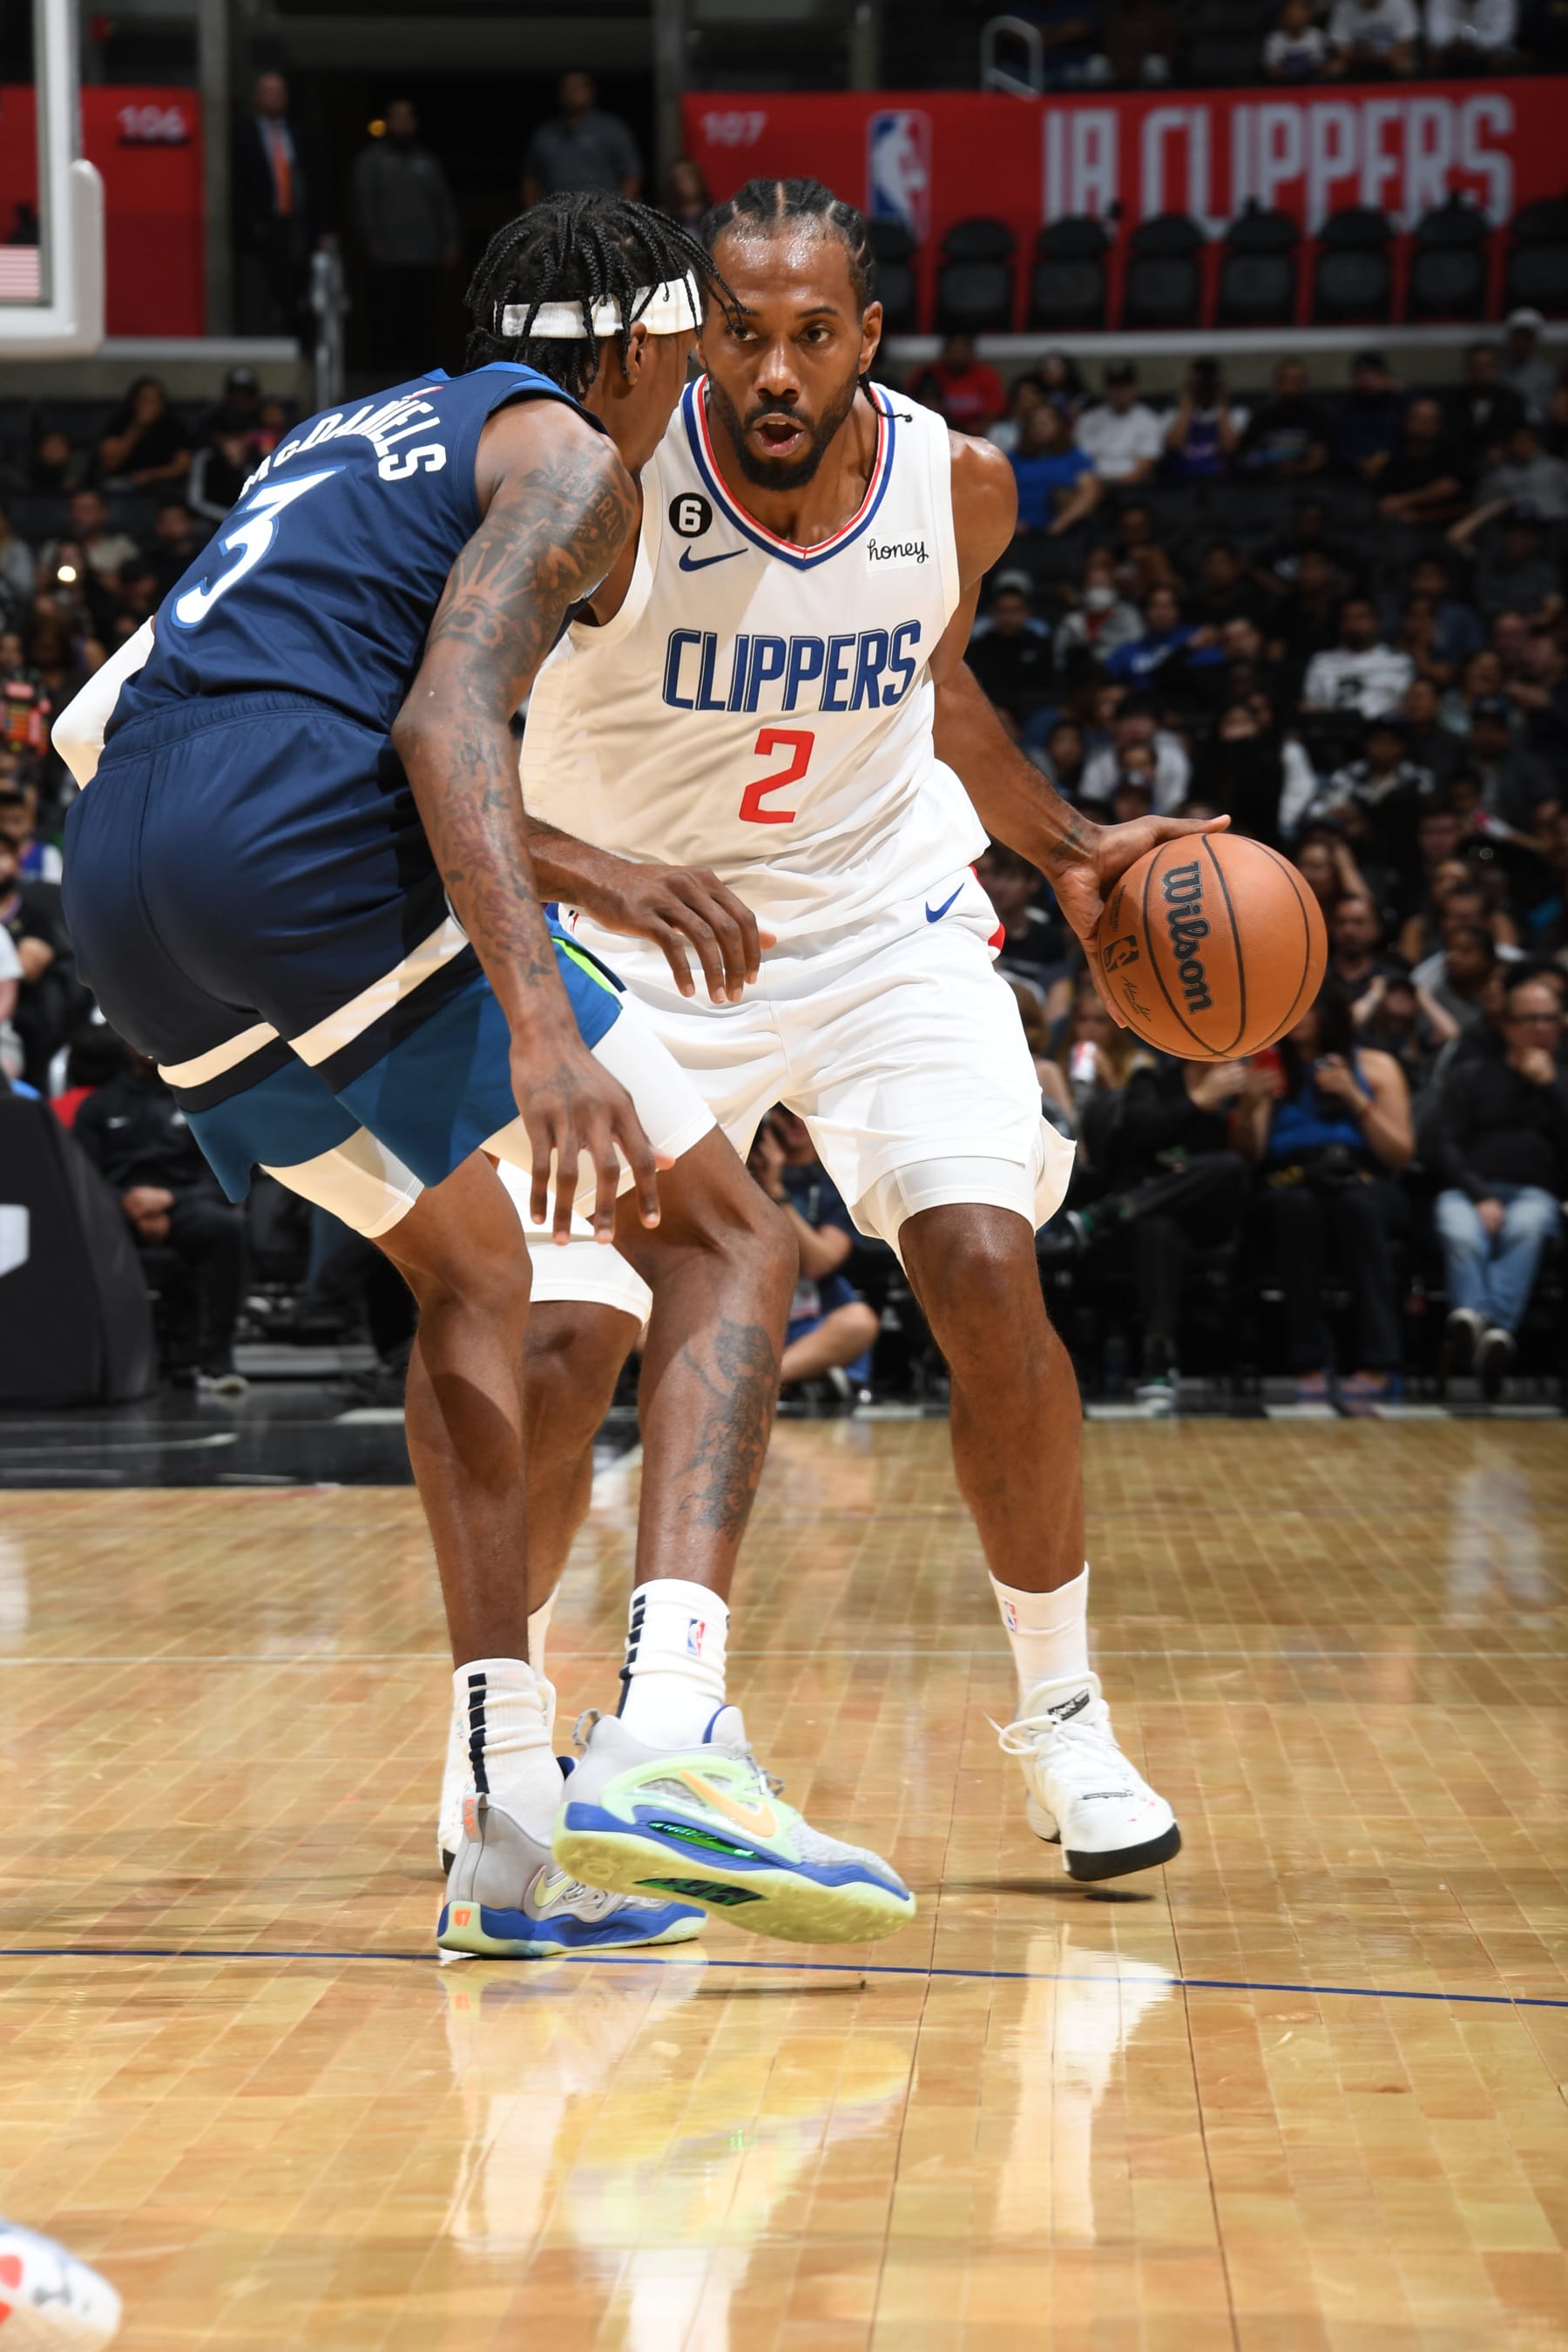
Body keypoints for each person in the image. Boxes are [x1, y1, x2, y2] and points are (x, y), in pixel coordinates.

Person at [57, 193, 909, 1959]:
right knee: (730, 1243)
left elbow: (117, 720)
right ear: (631, 347)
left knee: (473, 1272)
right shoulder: (572, 458)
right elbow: (441, 723)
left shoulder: (334, 442)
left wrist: (591, 881)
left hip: (129, 895)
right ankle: (670, 1735)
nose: (687, 382)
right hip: (299, 852)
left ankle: (502, 1826)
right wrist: (537, 1013)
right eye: (680, 349)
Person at [494, 174, 1226, 1894]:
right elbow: (454, 736)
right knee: (554, 1361)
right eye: (739, 331)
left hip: (878, 920)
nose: (772, 368)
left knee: (983, 1260)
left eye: (811, 334)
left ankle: (1066, 1724)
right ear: (696, 333)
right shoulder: (602, 486)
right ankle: (508, 1734)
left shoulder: (958, 484)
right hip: (634, 941)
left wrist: (1070, 849)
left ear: (866, 339)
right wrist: (597, 883)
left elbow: (939, 688)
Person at [1241, 983, 1415, 1400]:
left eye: (1308, 1008)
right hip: (1291, 1178)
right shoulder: (1268, 1066)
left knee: (1357, 1206)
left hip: (1360, 1177)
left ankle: (1378, 1362)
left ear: (1330, 1013)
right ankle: (1309, 1361)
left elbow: (1399, 1155)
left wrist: (1354, 1096)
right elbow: (1253, 1153)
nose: (1297, 1017)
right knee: (1294, 1209)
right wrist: (1251, 1106)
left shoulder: (1375, 1066)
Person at [73, 1044, 249, 1391]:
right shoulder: (98, 1106)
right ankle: (96, 1362)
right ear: (125, 1041)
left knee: (226, 1227)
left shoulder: (198, 1100)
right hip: (115, 1208)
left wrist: (169, 1200)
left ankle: (217, 1360)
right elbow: (81, 1176)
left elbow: (222, 1176)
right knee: (78, 1227)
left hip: (183, 1203)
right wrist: (128, 1205)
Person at [1431, 969, 1567, 1383]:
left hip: (1537, 1195)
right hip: (1471, 1190)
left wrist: (1552, 1085)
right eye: (1530, 1019)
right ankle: (1493, 1332)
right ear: (1507, 1025)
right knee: (1459, 1230)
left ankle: (1478, 1324)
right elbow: (1445, 1144)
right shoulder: (1472, 1073)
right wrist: (1479, 1194)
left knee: (1525, 1227)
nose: (1541, 1028)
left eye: (1549, 1018)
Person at [749, 1110, 879, 1396]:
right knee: (648, 1322)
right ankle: (791, 1378)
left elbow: (819, 1263)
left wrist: (776, 1192)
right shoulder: (739, 1174)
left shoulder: (837, 1182)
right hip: (747, 1309)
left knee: (858, 1322)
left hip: (813, 1316)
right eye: (785, 1112)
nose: (795, 1121)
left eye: (803, 1111)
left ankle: (756, 1384)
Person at [350, 99, 461, 378]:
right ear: (387, 121)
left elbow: (443, 204)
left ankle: (425, 376)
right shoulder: (371, 160)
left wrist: (450, 241)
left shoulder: (427, 161)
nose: (402, 123)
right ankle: (384, 377)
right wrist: (372, 242)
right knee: (387, 319)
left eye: (407, 117)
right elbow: (363, 205)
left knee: (423, 320)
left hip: (425, 255)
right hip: (388, 258)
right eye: (396, 117)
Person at [232, 72, 323, 340]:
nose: (274, 97)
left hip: (296, 225)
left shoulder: (298, 133)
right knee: (260, 290)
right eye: (267, 91)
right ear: (256, 97)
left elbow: (315, 180)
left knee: (297, 288)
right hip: (261, 226)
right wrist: (254, 223)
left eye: (279, 91)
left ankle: (297, 337)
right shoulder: (242, 134)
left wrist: (320, 228)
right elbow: (237, 184)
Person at [522, 71, 641, 206]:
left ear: (591, 92)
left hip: (601, 213)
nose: (570, 95)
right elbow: (531, 178)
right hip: (555, 214)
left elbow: (632, 174)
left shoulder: (612, 129)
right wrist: (532, 213)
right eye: (566, 89)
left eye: (576, 89)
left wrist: (621, 211)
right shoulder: (545, 133)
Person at [1301, 597, 1415, 718]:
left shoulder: (1399, 662)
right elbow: (1311, 705)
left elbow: (1408, 706)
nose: (1353, 624)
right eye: (1347, 618)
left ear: (1376, 621)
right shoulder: (1321, 661)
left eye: (1360, 617)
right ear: (1340, 625)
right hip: (1333, 730)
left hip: (1385, 731)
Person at [1010, 401, 1100, 536]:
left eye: (1046, 422)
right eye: (1035, 423)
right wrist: (1012, 524)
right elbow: (996, 496)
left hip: (1065, 530)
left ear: (1058, 425)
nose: (1040, 427)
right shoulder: (1014, 458)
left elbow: (1089, 493)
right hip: (1019, 531)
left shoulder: (1073, 455)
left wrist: (1062, 522)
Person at [1375, 396, 1468, 525]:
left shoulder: (1453, 451)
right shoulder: (1393, 453)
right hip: (1397, 523)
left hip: (1444, 522)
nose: (1422, 423)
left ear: (1439, 424)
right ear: (1406, 421)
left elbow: (1448, 488)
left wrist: (1405, 502)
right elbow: (1384, 498)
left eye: (1429, 419)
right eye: (1417, 418)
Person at [1074, 361, 1164, 484]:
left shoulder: (1148, 420)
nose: (1120, 392)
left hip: (1134, 485)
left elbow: (1147, 462)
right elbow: (1082, 459)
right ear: (1106, 388)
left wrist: (1120, 487)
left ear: (1134, 388)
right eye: (1114, 386)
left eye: (1124, 386)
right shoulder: (1089, 419)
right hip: (1095, 484)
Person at [96, 377, 191, 491]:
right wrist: (137, 428)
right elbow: (110, 463)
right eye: (144, 400)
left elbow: (183, 466)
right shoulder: (120, 423)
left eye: (154, 401)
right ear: (134, 402)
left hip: (164, 485)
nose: (148, 406)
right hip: (124, 482)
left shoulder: (174, 426)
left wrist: (151, 475)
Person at [1240, 358, 1326, 478]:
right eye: (1288, 379)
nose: (1293, 385)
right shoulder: (1262, 417)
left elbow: (1320, 458)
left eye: (1299, 380)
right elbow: (1247, 456)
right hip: (1266, 483)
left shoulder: (1317, 416)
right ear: (1277, 383)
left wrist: (1298, 469)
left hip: (1306, 484)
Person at [1328, 351, 1406, 482]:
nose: (1366, 380)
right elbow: (1337, 449)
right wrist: (1359, 462)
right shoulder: (1344, 412)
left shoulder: (1400, 406)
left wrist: (1401, 389)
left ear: (1383, 376)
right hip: (1352, 477)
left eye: (1372, 374)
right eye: (1360, 375)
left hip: (1396, 474)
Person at [907, 334, 1006, 435]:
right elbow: (909, 408)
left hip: (977, 435)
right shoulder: (927, 374)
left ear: (972, 352)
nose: (958, 356)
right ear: (944, 352)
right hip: (936, 431)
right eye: (954, 351)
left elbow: (993, 412)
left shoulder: (987, 375)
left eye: (962, 351)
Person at [1163, 359, 1245, 478]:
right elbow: (1174, 445)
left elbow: (1230, 448)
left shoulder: (1237, 414)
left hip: (1222, 483)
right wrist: (1188, 395)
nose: (1205, 386)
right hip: (1182, 484)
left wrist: (1220, 396)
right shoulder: (1172, 414)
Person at [1324, 0, 1419, 72]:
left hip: (1389, 60)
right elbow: (1341, 49)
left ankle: (1402, 94)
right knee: (1336, 66)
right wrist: (1368, 56)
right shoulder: (1344, 6)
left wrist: (1379, 56)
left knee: (1404, 63)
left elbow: (1405, 44)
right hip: (1356, 60)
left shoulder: (1400, 4)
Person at [1501, 308, 1558, 422]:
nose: (1522, 342)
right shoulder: (1499, 370)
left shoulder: (1546, 375)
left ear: (1535, 340)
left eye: (1527, 337)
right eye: (1518, 336)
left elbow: (1546, 413)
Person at [1426, 0, 1518, 65]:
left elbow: (1503, 36)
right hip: (1451, 52)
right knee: (1435, 56)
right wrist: (1458, 40)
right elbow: (1436, 36)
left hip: (1486, 53)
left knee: (1500, 56)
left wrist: (1473, 41)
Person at [1266, 0, 1331, 76]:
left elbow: (1322, 66)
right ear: (1283, 15)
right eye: (1291, 9)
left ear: (1309, 14)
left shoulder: (1316, 36)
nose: (1295, 13)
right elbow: (1272, 69)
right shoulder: (1275, 39)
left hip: (1312, 82)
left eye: (1300, 9)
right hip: (1283, 84)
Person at [660, 157, 713, 235]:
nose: (685, 182)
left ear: (698, 177)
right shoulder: (665, 219)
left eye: (689, 174)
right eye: (678, 178)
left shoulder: (714, 215)